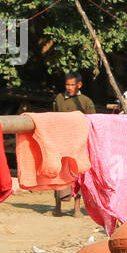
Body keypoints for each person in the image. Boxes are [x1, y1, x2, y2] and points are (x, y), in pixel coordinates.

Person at [52, 71, 94, 216]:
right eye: (67, 84)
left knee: (77, 175)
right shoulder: (59, 99)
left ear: (79, 85)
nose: (69, 87)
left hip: (78, 143)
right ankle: (57, 208)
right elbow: (54, 116)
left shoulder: (86, 101)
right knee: (59, 172)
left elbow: (91, 121)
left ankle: (77, 209)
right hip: (60, 141)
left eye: (72, 85)